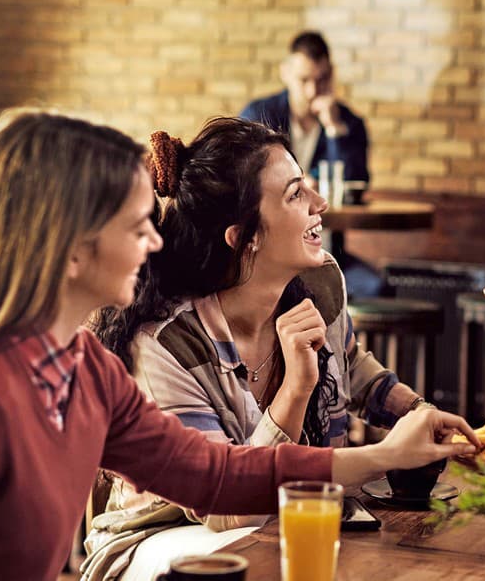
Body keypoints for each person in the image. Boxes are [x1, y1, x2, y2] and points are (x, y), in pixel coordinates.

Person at [0, 110, 477, 581]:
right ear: (73, 248)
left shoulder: (82, 372)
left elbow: (216, 474)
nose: (155, 241)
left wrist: (384, 454)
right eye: (137, 224)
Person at [81, 117, 429, 580]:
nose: (320, 204)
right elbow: (228, 507)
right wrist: (297, 389)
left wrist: (416, 413)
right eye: (295, 194)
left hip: (283, 516)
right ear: (246, 237)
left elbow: (352, 366)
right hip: (162, 541)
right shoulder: (167, 346)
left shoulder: (318, 284)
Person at [240, 31, 382, 299]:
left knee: (375, 287)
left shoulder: (349, 124)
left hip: (327, 250)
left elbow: (355, 187)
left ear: (332, 75)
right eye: (304, 80)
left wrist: (333, 130)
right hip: (269, 254)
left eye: (322, 79)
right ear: (285, 73)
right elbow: (243, 183)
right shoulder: (258, 116)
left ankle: (346, 342)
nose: (312, 91)